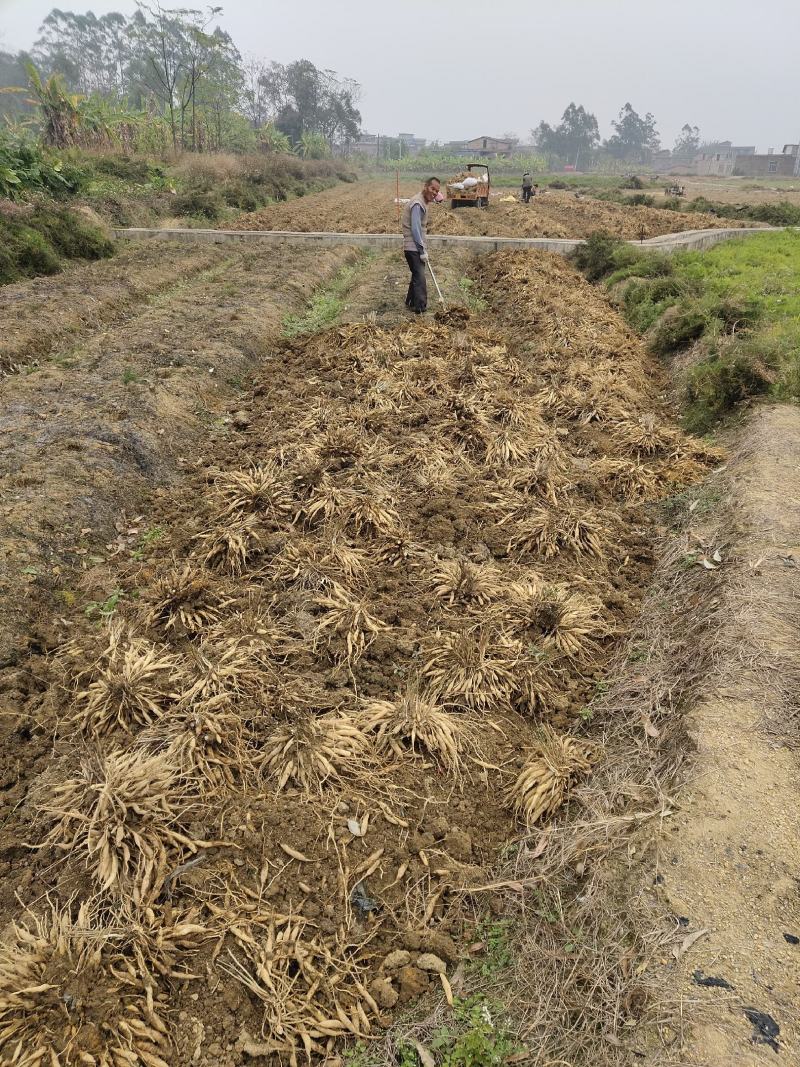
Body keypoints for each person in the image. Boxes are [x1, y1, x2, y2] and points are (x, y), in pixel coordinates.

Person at [401, 177, 440, 314]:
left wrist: (436, 196)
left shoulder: (424, 200)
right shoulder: (418, 203)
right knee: (420, 277)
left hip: (414, 247)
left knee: (416, 275)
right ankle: (420, 307)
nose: (434, 192)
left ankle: (410, 301)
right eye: (432, 189)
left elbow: (437, 197)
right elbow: (416, 229)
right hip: (413, 247)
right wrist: (422, 250)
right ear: (425, 186)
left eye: (437, 190)